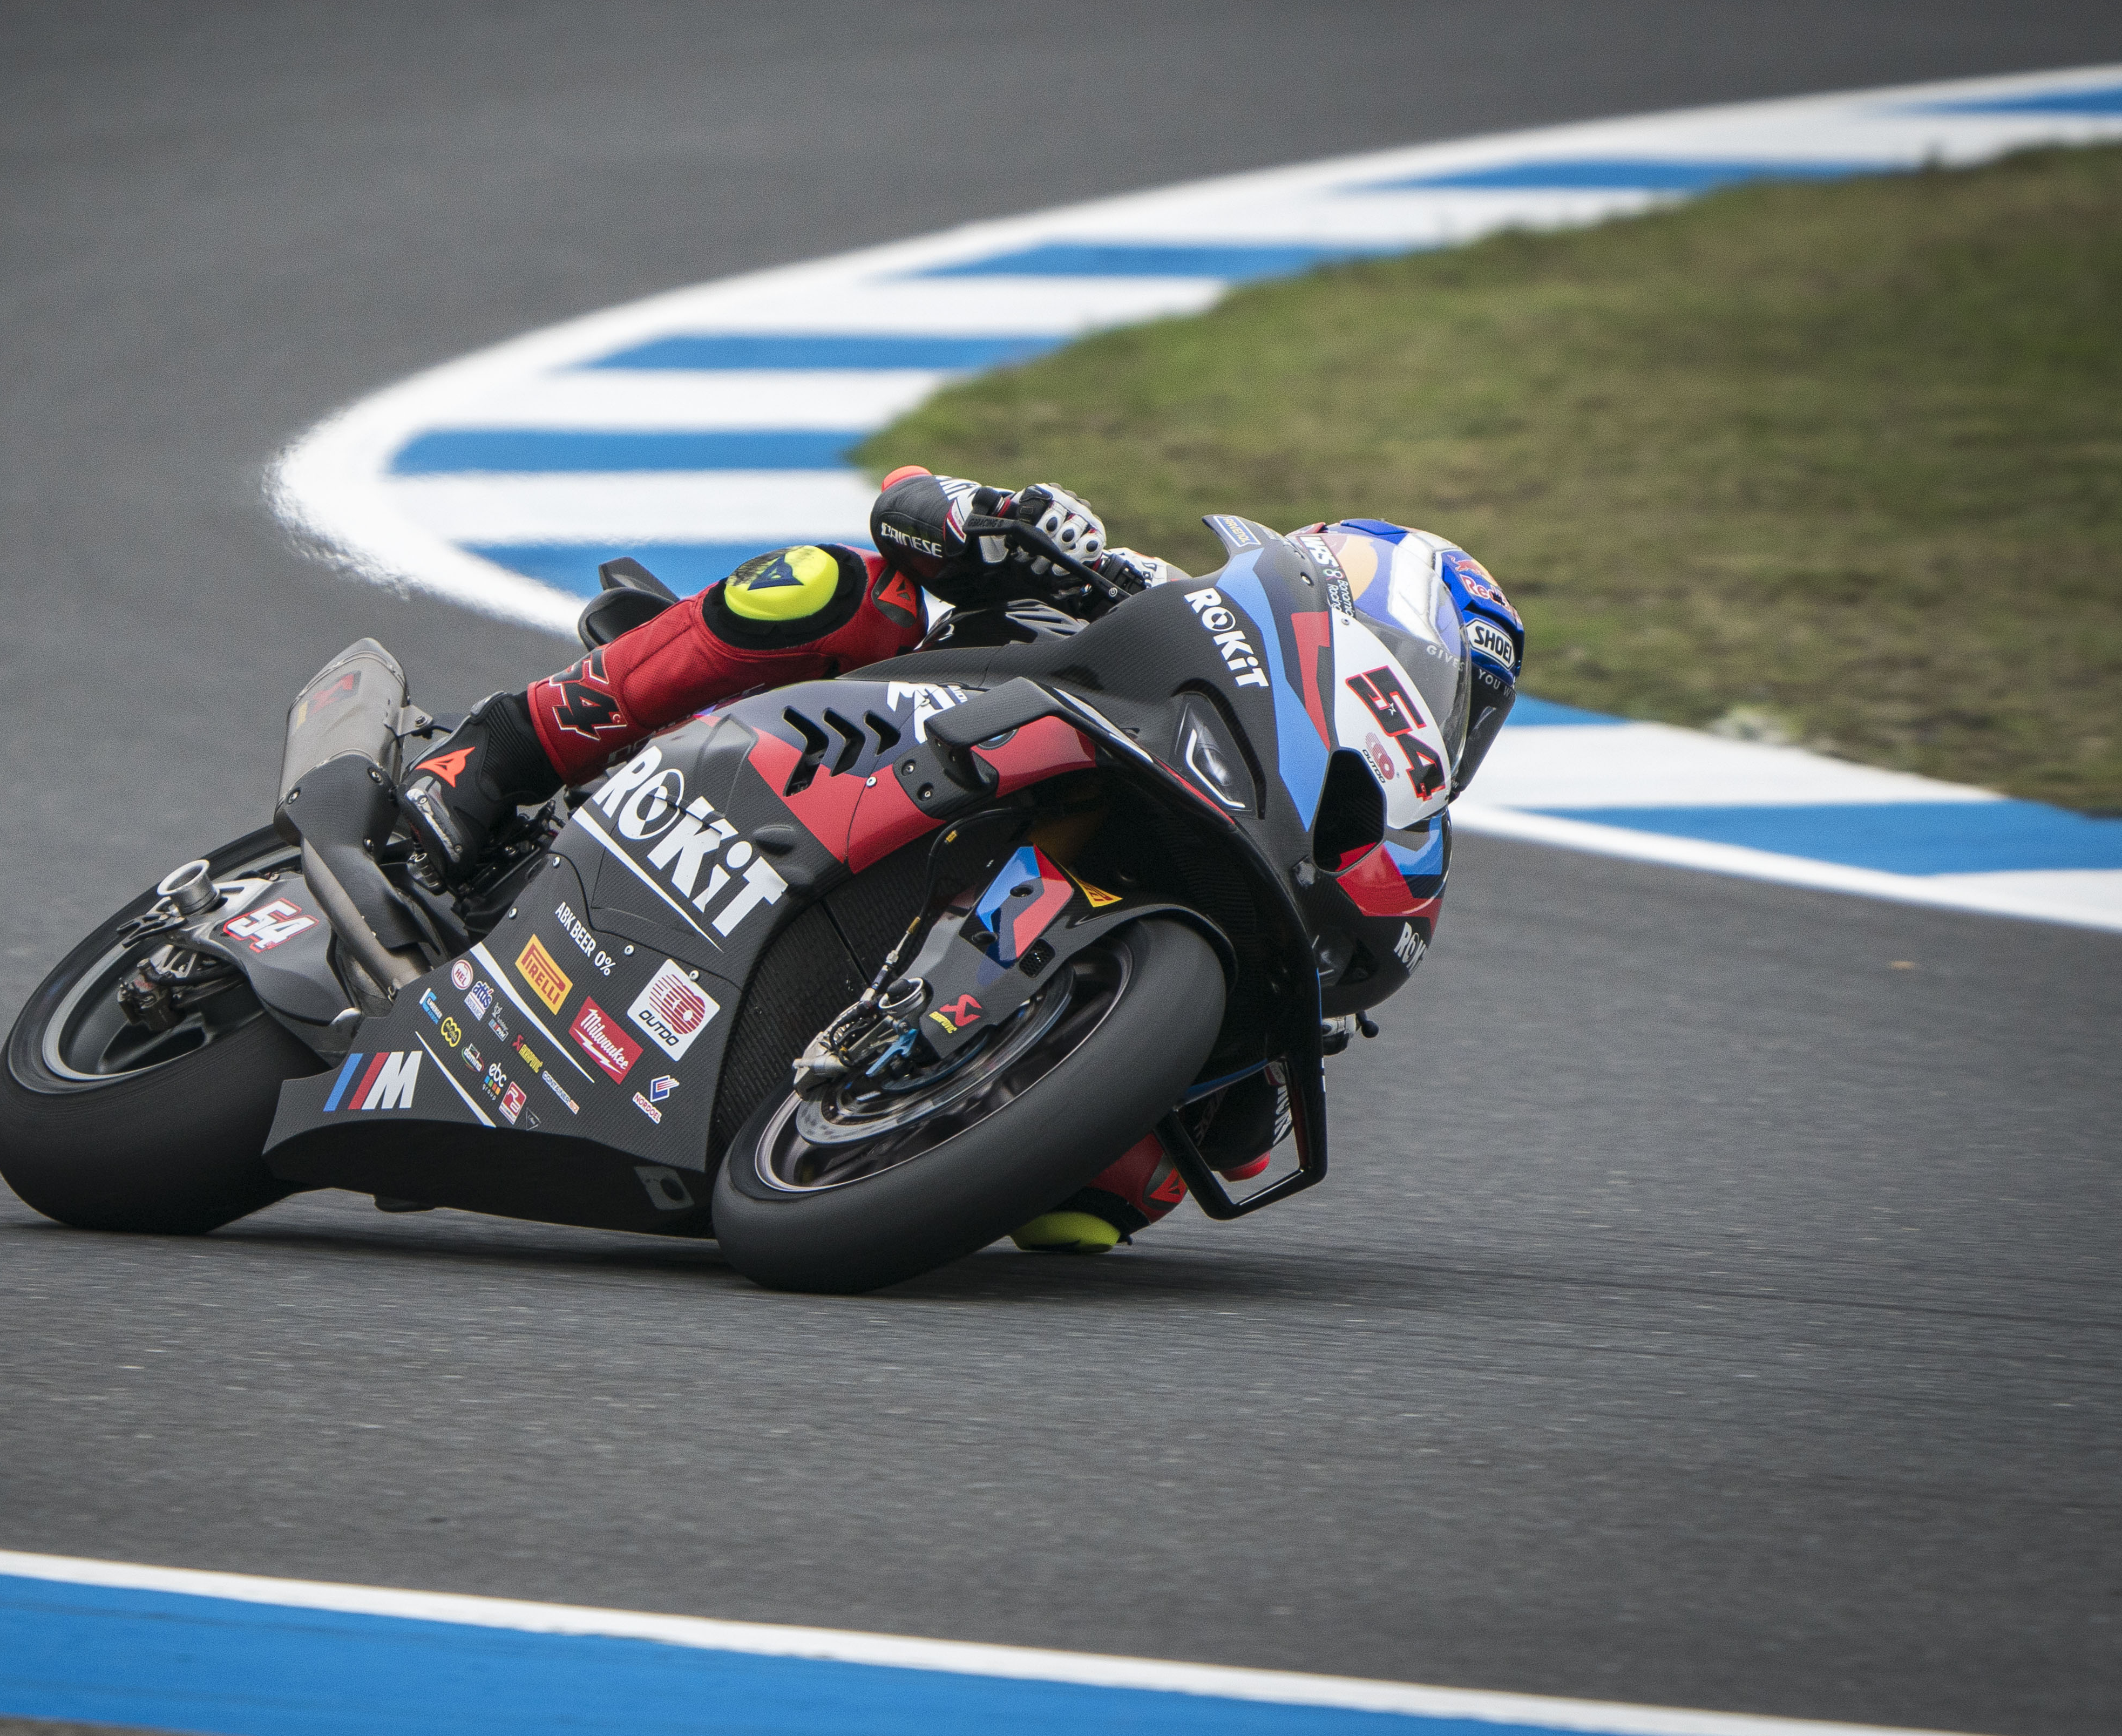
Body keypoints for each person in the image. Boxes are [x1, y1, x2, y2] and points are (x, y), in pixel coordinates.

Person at [397, 465, 1526, 1255]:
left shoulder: (1384, 833)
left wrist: (1264, 1049)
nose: (1430, 712)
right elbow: (906, 503)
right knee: (837, 585)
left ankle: (895, 1110)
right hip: (869, 743)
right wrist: (992, 519)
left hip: (1046, 950)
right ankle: (495, 754)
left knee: (1107, 1207)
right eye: (1423, 667)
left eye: (1461, 709)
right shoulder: (1158, 591)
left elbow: (1263, 1106)